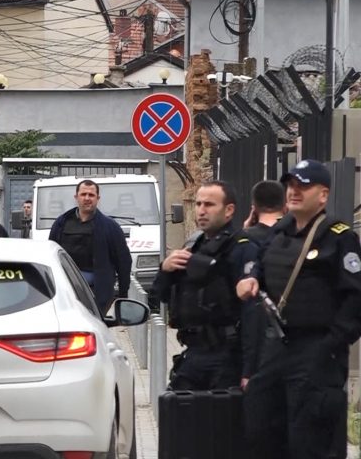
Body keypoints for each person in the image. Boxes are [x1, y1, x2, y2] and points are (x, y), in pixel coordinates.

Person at [236, 160, 361, 459]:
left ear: (323, 195)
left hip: (318, 349)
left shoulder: (338, 237)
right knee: (262, 427)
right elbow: (260, 265)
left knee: (310, 438)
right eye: (291, 185)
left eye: (303, 186)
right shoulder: (280, 231)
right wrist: (250, 278)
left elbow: (355, 299)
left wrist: (330, 346)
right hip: (279, 345)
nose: (294, 191)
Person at [151, 181, 258, 390]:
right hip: (193, 352)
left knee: (220, 419)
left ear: (229, 210)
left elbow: (252, 314)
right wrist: (165, 269)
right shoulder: (194, 246)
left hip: (227, 355)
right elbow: (160, 297)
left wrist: (249, 369)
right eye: (199, 204)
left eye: (209, 205)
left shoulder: (242, 248)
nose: (201, 210)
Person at [49, 180, 132, 313]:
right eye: (83, 194)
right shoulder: (61, 223)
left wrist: (123, 294)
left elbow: (123, 262)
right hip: (65, 291)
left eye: (91, 195)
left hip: (97, 294)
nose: (87, 198)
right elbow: (51, 255)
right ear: (76, 197)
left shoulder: (110, 227)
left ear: (98, 198)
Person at [240, 179, 286, 386]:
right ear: (285, 206)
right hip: (296, 343)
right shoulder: (296, 239)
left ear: (253, 209)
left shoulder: (243, 241)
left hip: (257, 345)